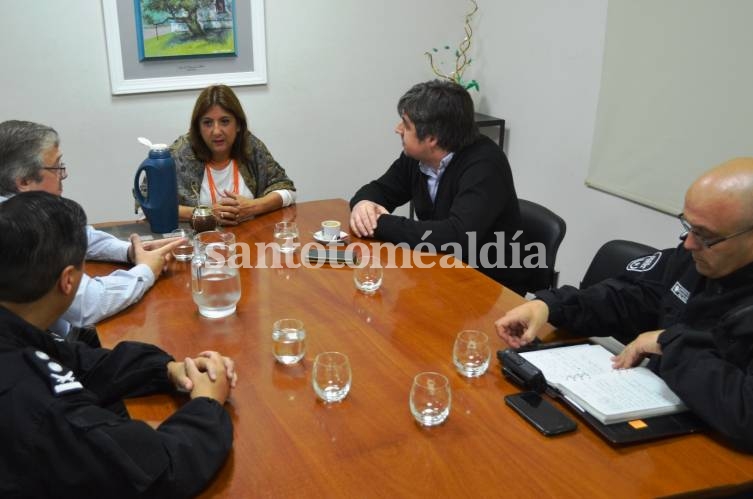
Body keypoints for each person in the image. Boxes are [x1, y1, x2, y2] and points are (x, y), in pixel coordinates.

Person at [495, 158, 753, 452]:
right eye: (687, 226)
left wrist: (670, 344)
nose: (689, 244)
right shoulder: (693, 259)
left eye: (706, 236)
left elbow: (745, 412)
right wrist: (550, 306)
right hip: (652, 425)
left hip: (719, 457)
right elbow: (626, 298)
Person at [0, 191, 237, 497]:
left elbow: (78, 361)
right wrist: (207, 404)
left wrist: (166, 370)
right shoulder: (40, 404)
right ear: (68, 280)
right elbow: (157, 472)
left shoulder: (17, 332)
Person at [0, 120, 184, 337]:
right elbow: (88, 305)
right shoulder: (19, 229)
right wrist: (146, 270)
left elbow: (80, 235)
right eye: (57, 167)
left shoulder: (26, 208)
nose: (64, 175)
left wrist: (130, 251)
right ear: (25, 181)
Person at [349, 80, 528, 294]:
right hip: (440, 270)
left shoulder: (485, 164)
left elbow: (456, 236)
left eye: (406, 125)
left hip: (487, 287)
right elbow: (379, 189)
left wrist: (380, 223)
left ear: (432, 138)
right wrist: (364, 204)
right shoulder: (416, 157)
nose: (397, 130)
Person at [172, 84, 296, 226]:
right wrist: (205, 214)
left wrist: (254, 206)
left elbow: (287, 191)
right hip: (200, 242)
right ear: (198, 128)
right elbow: (149, 208)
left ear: (238, 124)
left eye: (225, 121)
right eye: (207, 123)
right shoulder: (180, 153)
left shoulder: (251, 146)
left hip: (251, 239)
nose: (216, 131)